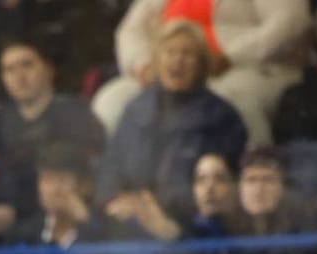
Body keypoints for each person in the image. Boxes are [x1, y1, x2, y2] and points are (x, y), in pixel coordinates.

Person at [94, 18, 247, 239]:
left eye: (187, 54)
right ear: (157, 60)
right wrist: (116, 201)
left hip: (193, 232)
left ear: (201, 63)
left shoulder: (221, 117)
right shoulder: (135, 111)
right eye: (170, 52)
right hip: (132, 226)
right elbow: (111, 170)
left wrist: (160, 214)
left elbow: (223, 188)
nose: (178, 60)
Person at [89, 0, 308, 146]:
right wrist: (146, 65)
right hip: (171, 70)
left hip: (243, 68)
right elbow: (130, 30)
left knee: (228, 102)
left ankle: (251, 185)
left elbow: (290, 22)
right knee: (112, 100)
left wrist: (230, 56)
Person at [0, 37, 103, 244]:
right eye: (9, 70)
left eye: (27, 65)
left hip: (63, 230)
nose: (19, 76)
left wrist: (16, 213)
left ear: (48, 69)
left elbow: (81, 184)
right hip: (7, 236)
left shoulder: (75, 116)